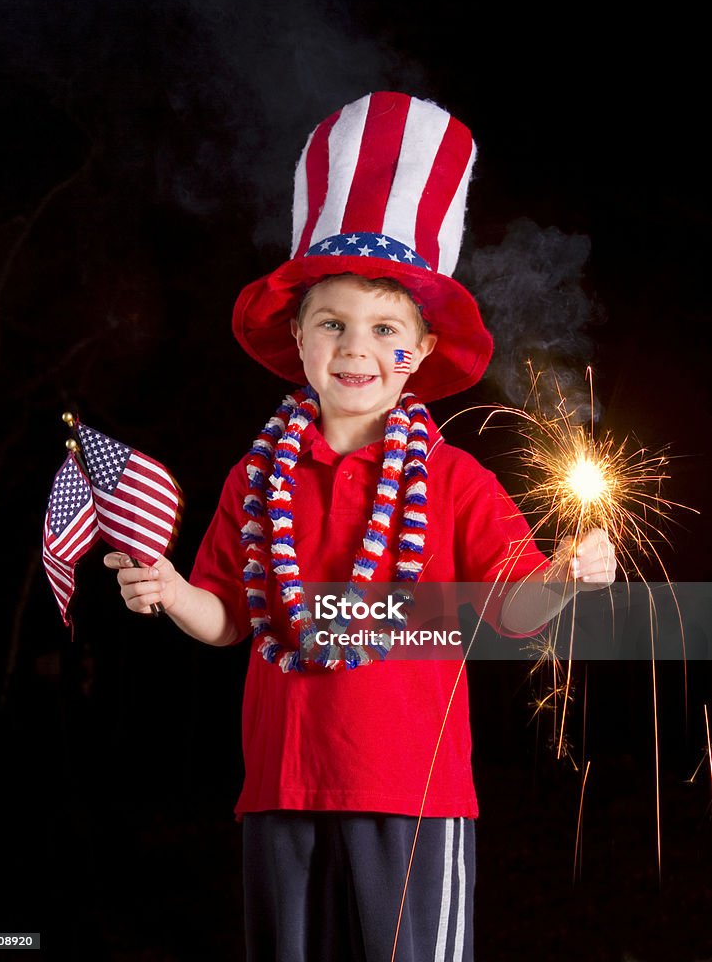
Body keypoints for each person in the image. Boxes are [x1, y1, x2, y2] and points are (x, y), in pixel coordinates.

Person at [105, 91, 615, 961]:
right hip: (279, 789)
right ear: (295, 342)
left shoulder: (454, 477)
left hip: (409, 793)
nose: (355, 348)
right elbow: (231, 617)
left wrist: (564, 576)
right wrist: (173, 593)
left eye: (384, 329)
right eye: (331, 324)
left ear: (415, 354)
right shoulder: (253, 476)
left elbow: (508, 611)